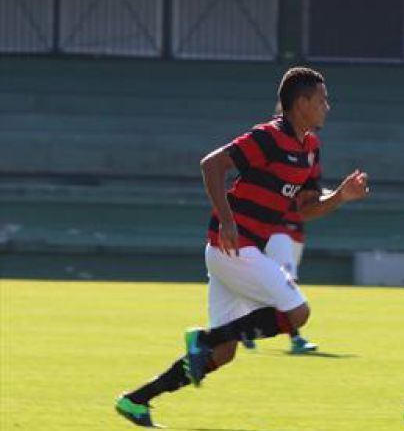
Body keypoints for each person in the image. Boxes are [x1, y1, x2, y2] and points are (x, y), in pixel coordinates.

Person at [114, 67, 369, 428]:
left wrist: (341, 196)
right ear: (301, 104)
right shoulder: (268, 137)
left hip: (239, 250)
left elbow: (305, 208)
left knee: (223, 354)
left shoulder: (310, 147)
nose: (328, 106)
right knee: (298, 313)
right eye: (322, 99)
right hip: (232, 243)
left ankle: (137, 400)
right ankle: (204, 337)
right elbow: (212, 165)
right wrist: (228, 220)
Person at [240, 200, 319, 353]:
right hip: (274, 229)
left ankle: (246, 328)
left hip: (290, 231)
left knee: (276, 286)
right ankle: (295, 338)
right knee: (286, 284)